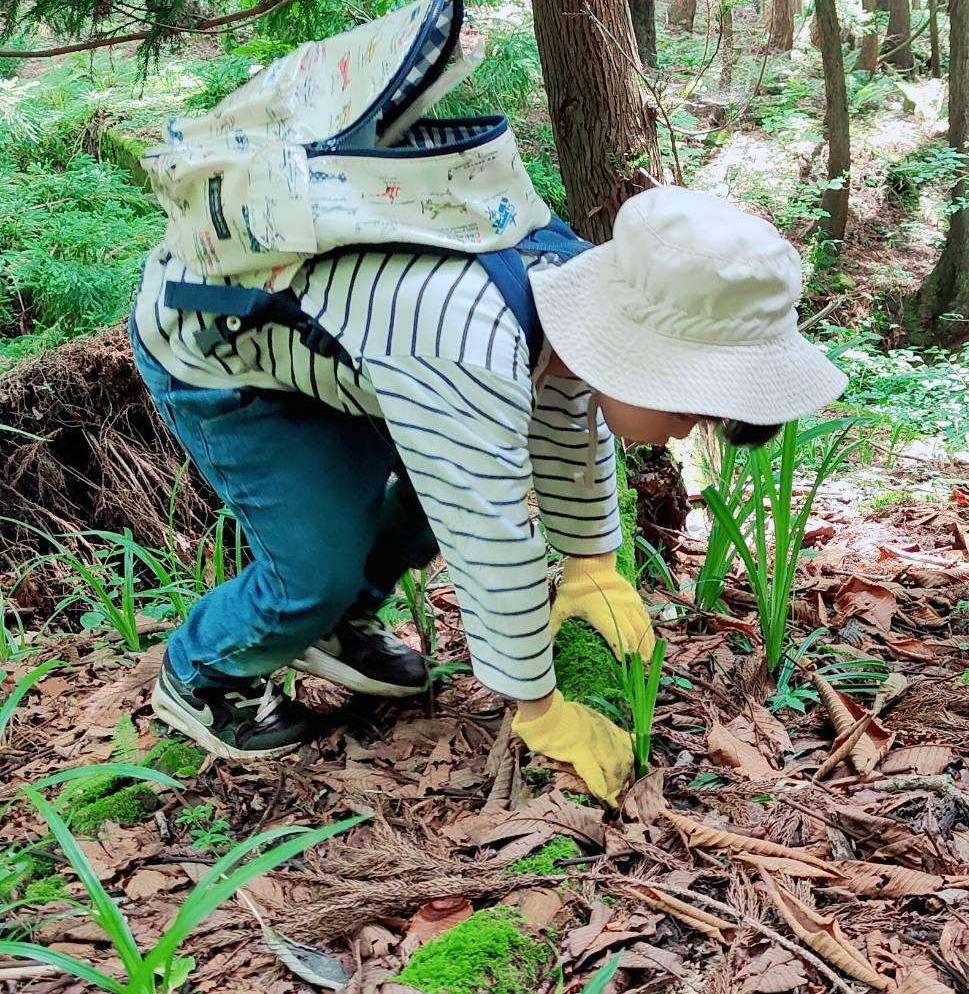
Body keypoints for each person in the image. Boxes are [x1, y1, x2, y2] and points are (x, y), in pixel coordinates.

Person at [130, 184, 846, 804]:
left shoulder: (569, 290)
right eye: (696, 403)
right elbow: (485, 522)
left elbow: (566, 405)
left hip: (347, 350)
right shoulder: (468, 338)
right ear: (649, 357)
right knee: (309, 572)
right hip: (220, 359)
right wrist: (538, 706)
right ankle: (202, 672)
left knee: (419, 508)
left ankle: (337, 625)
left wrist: (589, 562)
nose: (690, 427)